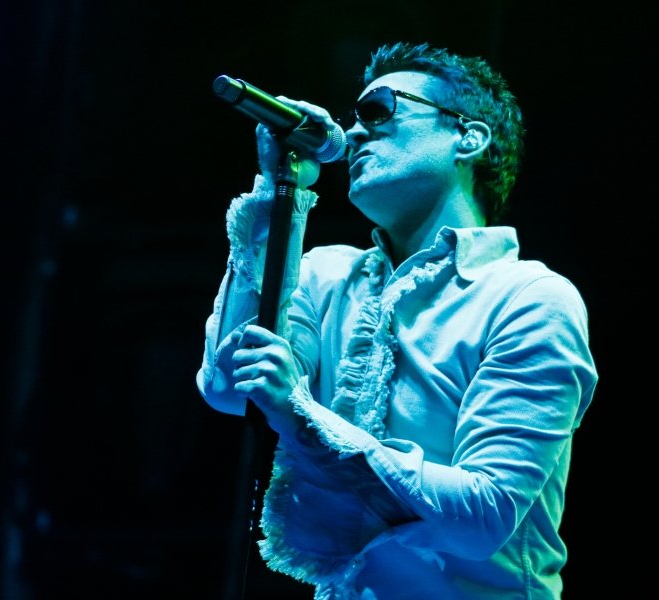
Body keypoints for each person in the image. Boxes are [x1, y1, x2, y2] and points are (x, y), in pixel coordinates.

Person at [197, 41, 598, 599]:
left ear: (468, 137)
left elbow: (484, 515)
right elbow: (227, 385)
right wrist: (275, 192)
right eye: (353, 117)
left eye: (379, 110)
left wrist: (303, 414)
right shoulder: (327, 276)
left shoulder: (529, 297)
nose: (354, 132)